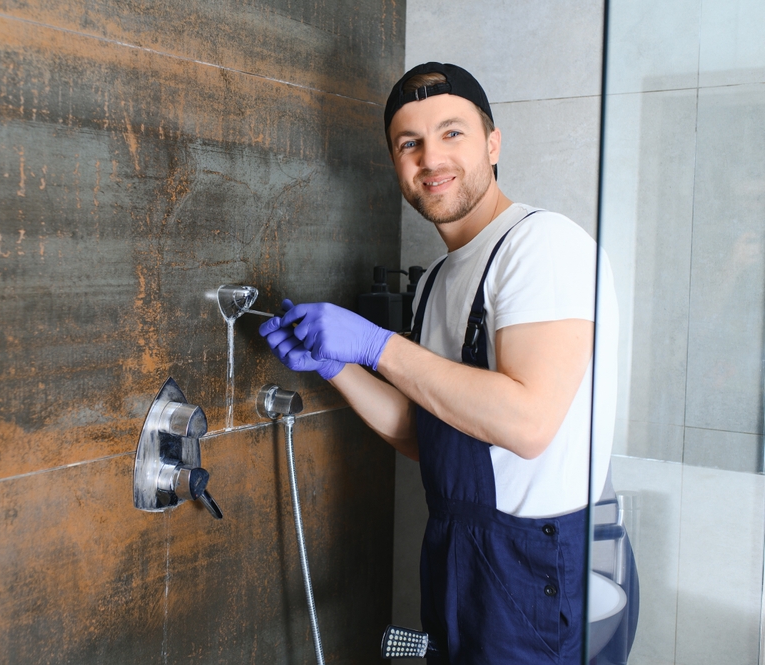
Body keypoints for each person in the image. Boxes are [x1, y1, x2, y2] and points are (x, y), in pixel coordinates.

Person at [259, 62, 630, 664]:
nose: (431, 158)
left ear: (492, 142)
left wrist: (379, 346)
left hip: (532, 568)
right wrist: (335, 366)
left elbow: (527, 423)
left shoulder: (543, 246)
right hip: (457, 553)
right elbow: (425, 434)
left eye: (451, 133)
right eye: (410, 143)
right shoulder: (436, 280)